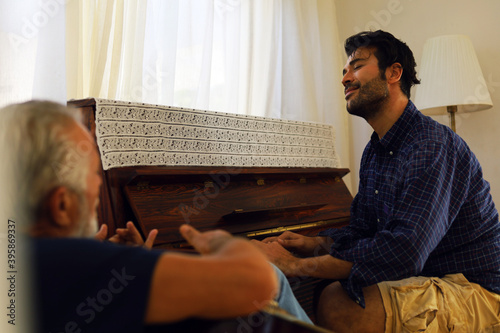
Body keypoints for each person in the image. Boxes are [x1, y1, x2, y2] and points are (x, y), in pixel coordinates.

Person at [253, 30, 500, 332]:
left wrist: (293, 266)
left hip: (475, 289)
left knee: (337, 304)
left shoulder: (432, 144)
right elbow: (365, 230)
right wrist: (315, 244)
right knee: (333, 288)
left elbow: (406, 250)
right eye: (344, 70)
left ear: (394, 72)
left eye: (356, 66)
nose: (345, 78)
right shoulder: (375, 149)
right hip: (427, 276)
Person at [0, 100, 311, 332]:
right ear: (62, 206)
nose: (98, 184)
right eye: (94, 173)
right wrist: (226, 245)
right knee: (275, 277)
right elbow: (254, 283)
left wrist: (123, 267)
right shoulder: (58, 261)